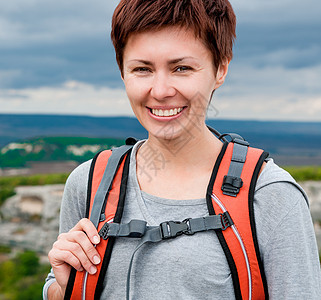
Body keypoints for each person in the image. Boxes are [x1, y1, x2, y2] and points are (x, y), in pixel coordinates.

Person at [43, 0, 321, 299]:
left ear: (220, 69)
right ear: (122, 72)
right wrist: (63, 287)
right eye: (142, 69)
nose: (161, 90)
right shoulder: (89, 183)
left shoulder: (270, 195)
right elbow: (62, 288)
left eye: (182, 68)